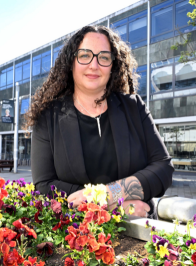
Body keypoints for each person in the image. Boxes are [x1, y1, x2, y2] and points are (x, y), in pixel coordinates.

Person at [26, 25, 174, 218]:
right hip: (76, 237)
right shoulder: (48, 117)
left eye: (103, 57)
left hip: (140, 235)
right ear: (71, 61)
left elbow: (163, 167)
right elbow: (44, 186)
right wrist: (115, 207)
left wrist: (109, 193)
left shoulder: (133, 107)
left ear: (113, 65)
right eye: (85, 55)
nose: (94, 65)